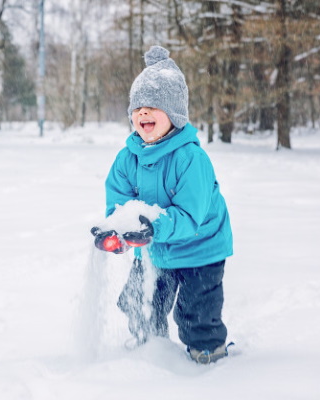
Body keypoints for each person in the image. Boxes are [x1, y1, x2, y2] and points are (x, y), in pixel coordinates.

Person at [91, 45, 234, 364]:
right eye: (138, 107)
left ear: (175, 114)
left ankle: (208, 353)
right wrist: (115, 232)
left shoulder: (191, 159)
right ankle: (147, 348)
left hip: (201, 246)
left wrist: (153, 228)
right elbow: (119, 204)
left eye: (153, 106)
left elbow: (189, 217)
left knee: (196, 311)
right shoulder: (128, 158)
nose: (143, 113)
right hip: (153, 245)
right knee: (139, 301)